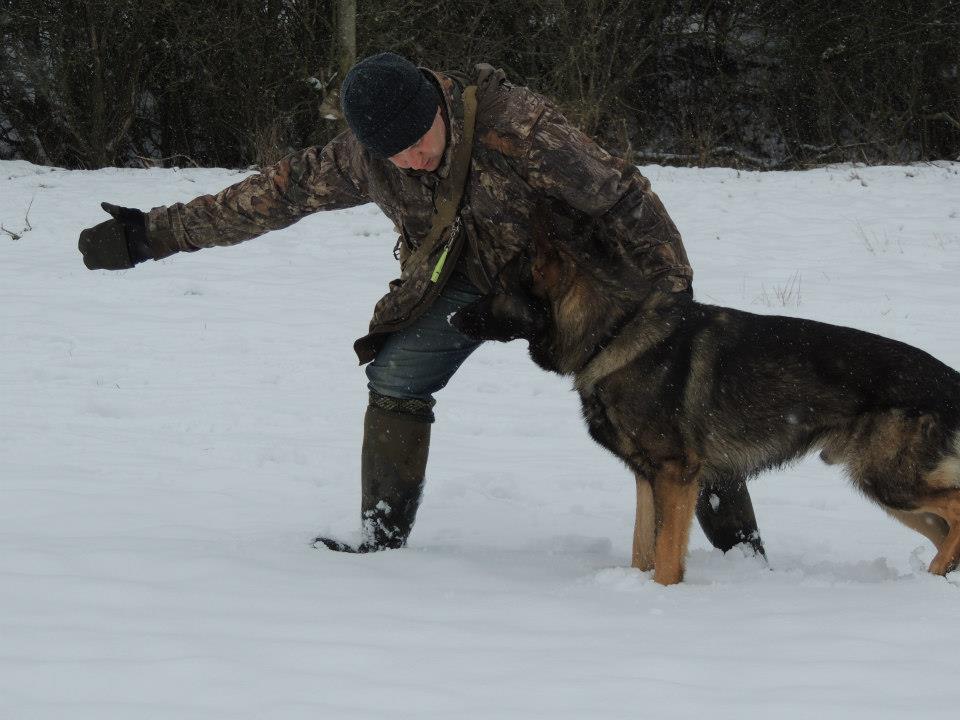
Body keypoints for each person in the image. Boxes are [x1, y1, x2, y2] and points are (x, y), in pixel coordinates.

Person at [78, 52, 766, 557]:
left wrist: (673, 306)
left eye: (417, 144)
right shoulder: (367, 156)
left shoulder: (521, 129)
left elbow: (625, 200)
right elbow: (272, 196)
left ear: (439, 109)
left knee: (671, 405)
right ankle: (380, 538)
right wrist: (152, 235)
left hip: (574, 281)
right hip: (463, 278)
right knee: (397, 376)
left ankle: (736, 545)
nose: (408, 161)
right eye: (392, 153)